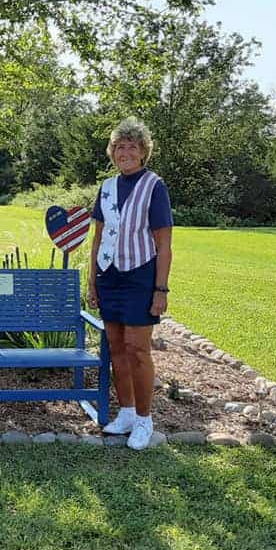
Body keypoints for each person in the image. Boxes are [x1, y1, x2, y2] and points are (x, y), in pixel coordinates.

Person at [86, 117, 173, 450]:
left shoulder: (154, 186)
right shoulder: (106, 187)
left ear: (142, 152)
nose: (124, 152)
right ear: (112, 152)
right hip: (109, 277)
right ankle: (125, 412)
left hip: (140, 275)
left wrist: (160, 289)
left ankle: (144, 419)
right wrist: (93, 282)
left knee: (138, 349)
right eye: (119, 146)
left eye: (131, 147)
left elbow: (164, 243)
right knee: (117, 348)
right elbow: (97, 239)